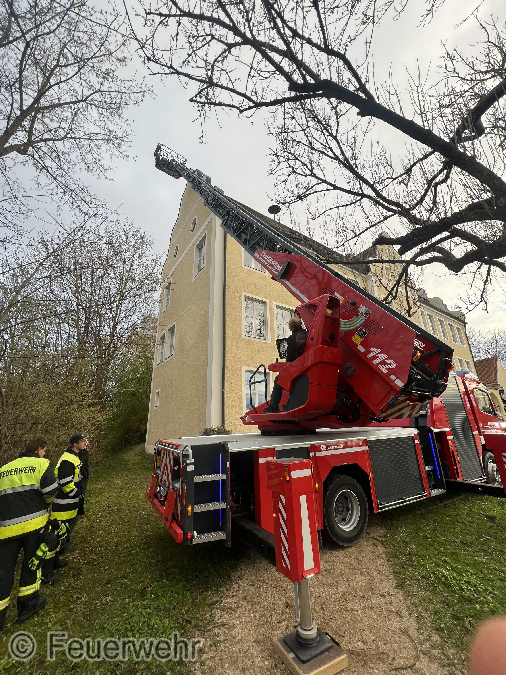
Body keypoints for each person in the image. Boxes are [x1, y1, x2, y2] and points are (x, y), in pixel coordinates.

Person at [0, 438, 58, 630]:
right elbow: (51, 491)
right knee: (32, 565)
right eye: (44, 451)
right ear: (39, 450)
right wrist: (44, 504)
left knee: (4, 572)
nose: (44, 454)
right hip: (34, 526)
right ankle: (28, 606)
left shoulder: (4, 469)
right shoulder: (41, 464)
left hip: (6, 530)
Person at [265, 315, 309, 413]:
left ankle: (273, 407)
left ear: (290, 327)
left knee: (279, 379)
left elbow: (290, 359)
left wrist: (280, 366)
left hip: (298, 368)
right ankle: (288, 403)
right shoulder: (307, 335)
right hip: (306, 365)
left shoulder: (292, 339)